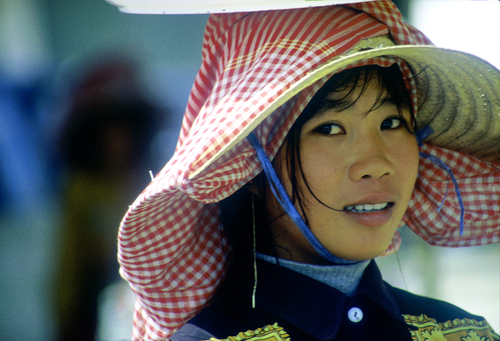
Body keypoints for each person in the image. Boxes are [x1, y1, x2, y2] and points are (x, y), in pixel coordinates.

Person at [114, 1, 500, 340]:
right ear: (248, 168)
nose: (376, 164)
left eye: (392, 123)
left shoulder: (463, 333)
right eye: (329, 128)